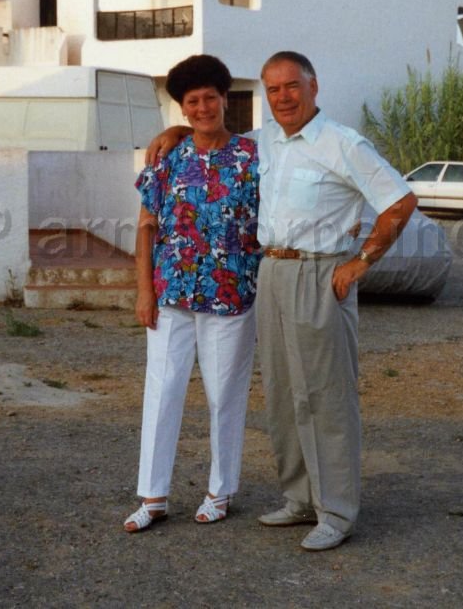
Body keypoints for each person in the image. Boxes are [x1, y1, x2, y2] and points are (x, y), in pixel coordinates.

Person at [148, 51, 417, 551]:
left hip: (320, 274)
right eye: (272, 89)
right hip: (269, 271)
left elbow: (399, 202)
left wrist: (361, 263)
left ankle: (336, 511)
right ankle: (299, 499)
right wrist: (178, 134)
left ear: (314, 87)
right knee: (283, 393)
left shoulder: (342, 143)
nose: (282, 97)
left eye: (291, 86)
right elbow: (216, 139)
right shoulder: (262, 143)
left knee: (325, 397)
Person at [123, 54, 260, 533]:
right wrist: (144, 291)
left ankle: (220, 491)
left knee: (225, 394)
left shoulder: (252, 158)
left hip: (231, 297)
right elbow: (145, 228)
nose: (202, 108)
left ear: (226, 101)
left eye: (210, 98)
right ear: (182, 110)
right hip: (171, 294)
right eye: (192, 102)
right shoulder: (168, 159)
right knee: (161, 393)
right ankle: (153, 496)